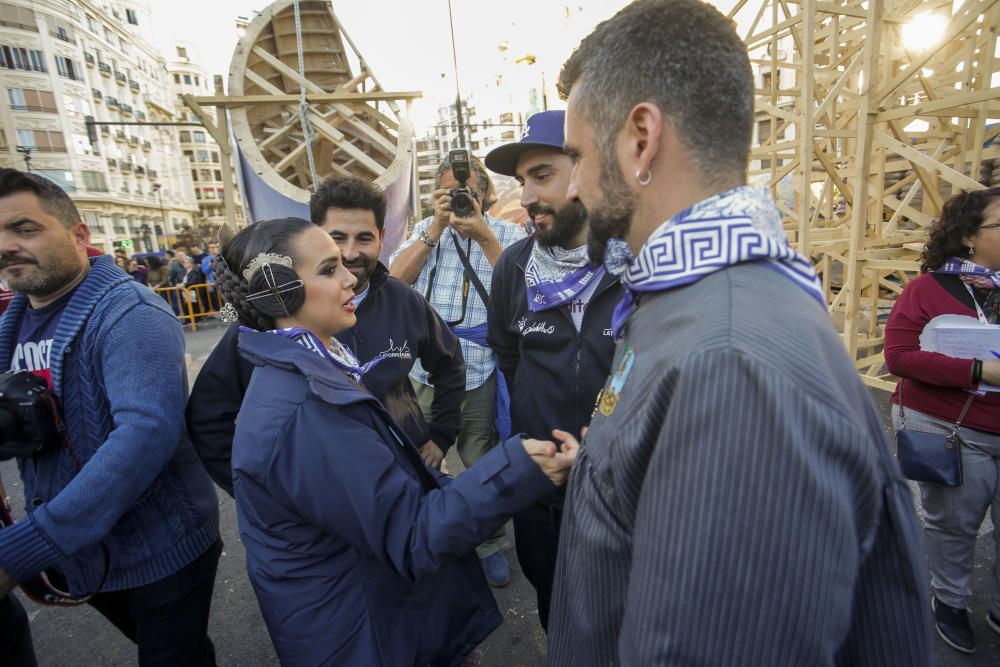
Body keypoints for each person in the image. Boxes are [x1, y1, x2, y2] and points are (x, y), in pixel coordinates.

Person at [546, 1, 932, 664]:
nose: (574, 185)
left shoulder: (730, 366)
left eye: (577, 155)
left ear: (641, 137)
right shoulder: (697, 312)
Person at [215, 217, 578, 665]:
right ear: (279, 292)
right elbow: (410, 535)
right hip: (366, 636)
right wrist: (517, 466)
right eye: (329, 269)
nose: (350, 276)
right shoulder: (304, 410)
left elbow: (386, 502)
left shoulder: (310, 370)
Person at [0, 169, 220, 665]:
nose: (7, 245)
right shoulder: (12, 321)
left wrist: (25, 546)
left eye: (25, 228)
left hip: (159, 554)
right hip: (83, 556)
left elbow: (144, 435)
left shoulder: (130, 312)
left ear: (80, 235)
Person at [187, 176, 466, 494]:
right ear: (315, 238)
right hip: (334, 501)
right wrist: (263, 493)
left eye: (364, 238)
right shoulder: (266, 327)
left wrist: (440, 436)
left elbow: (450, 365)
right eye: (336, 239)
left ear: (382, 237)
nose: (350, 253)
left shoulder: (405, 301)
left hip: (410, 475)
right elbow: (208, 417)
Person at [484, 109, 622, 631]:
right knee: (556, 607)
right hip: (541, 482)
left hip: (623, 485)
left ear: (588, 171)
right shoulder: (513, 269)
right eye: (522, 181)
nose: (525, 197)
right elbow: (508, 355)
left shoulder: (638, 263)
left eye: (542, 176)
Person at [390, 153, 527, 586]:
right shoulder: (424, 232)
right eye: (450, 191)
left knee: (479, 456)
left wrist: (483, 235)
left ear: (484, 195)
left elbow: (524, 289)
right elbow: (394, 281)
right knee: (415, 452)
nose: (460, 197)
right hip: (422, 368)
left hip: (478, 367)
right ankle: (421, 534)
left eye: (467, 191)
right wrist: (434, 230)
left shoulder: (506, 233)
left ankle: (485, 543)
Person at [885, 187, 1000, 654]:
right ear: (970, 236)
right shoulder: (928, 290)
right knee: (953, 524)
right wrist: (977, 370)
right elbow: (899, 356)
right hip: (951, 427)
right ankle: (949, 601)